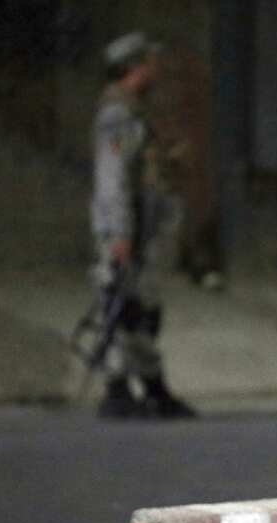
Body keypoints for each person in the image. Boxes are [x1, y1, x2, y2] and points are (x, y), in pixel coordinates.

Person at [90, 32, 195, 418]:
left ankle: (146, 386)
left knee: (140, 306)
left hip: (144, 228)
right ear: (134, 68)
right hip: (129, 229)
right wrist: (119, 234)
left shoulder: (136, 111)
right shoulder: (118, 115)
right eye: (148, 63)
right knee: (125, 306)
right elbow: (113, 177)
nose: (155, 70)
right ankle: (126, 387)